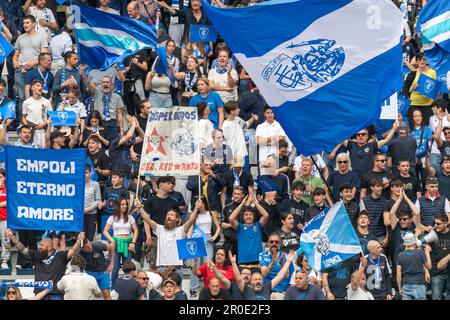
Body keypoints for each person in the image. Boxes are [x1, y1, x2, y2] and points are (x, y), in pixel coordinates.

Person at [5, 229, 85, 300]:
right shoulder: (36, 255)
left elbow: (72, 251)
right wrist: (12, 238)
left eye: (42, 245)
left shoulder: (60, 255)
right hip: (39, 294)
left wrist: (79, 240)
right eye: (40, 245)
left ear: (50, 247)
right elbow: (22, 249)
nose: (39, 247)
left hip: (56, 294)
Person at [135, 198, 200, 275]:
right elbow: (146, 218)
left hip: (176, 268)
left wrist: (196, 208)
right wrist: (140, 207)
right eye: (168, 215)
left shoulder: (180, 230)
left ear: (177, 219)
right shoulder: (160, 229)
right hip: (162, 267)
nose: (169, 216)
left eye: (171, 215)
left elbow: (191, 220)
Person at [13, 15, 48, 122]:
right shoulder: (20, 37)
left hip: (34, 71)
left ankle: (37, 121)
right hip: (20, 71)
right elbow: (16, 54)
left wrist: (32, 63)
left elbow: (45, 54)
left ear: (34, 24)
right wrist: (14, 61)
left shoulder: (42, 36)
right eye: (24, 23)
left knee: (36, 96)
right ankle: (22, 123)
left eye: (27, 23)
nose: (25, 25)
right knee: (21, 97)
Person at [142, 176, 179, 268]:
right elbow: (146, 220)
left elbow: (178, 219)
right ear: (161, 185)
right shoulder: (151, 200)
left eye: (173, 184)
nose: (172, 185)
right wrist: (148, 237)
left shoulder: (174, 202)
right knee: (154, 265)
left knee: (169, 266)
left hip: (170, 236)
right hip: (155, 236)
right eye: (169, 183)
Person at [103, 197, 138, 288]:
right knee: (115, 269)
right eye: (122, 204)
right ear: (118, 206)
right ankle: (114, 288)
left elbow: (136, 231)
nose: (124, 206)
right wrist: (112, 240)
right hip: (117, 243)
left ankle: (129, 287)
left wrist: (133, 243)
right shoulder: (112, 217)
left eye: (126, 204)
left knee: (128, 268)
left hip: (127, 243)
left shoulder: (130, 217)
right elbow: (105, 231)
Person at [229, 194, 269, 268]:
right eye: (246, 214)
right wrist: (242, 204)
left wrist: (255, 202)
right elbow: (231, 218)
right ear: (243, 217)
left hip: (258, 261)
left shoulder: (258, 225)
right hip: (243, 261)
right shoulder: (239, 227)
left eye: (250, 214)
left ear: (253, 217)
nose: (248, 216)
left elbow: (266, 215)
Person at [88, 75, 125, 142]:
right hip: (100, 123)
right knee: (100, 144)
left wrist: (121, 129)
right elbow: (90, 87)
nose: (105, 84)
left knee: (114, 144)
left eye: (107, 82)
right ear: (101, 84)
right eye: (103, 82)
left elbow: (119, 114)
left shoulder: (117, 97)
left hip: (112, 123)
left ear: (112, 85)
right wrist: (84, 76)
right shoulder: (97, 93)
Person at [397, 232, 431, 300]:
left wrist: (400, 288)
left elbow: (398, 273)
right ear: (415, 242)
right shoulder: (420, 252)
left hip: (406, 285)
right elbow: (429, 266)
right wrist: (427, 252)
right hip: (419, 284)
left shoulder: (400, 255)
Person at [259, 233, 292, 300]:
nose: (274, 243)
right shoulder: (262, 255)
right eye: (271, 242)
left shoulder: (284, 256)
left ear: (279, 244)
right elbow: (264, 273)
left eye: (276, 242)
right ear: (268, 243)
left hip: (279, 291)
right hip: (266, 291)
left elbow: (287, 275)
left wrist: (282, 264)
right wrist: (273, 262)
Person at [424, 214, 450, 300]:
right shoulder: (432, 234)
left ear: (446, 223)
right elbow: (425, 253)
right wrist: (427, 271)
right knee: (436, 297)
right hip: (436, 272)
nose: (435, 225)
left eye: (438, 224)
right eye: (434, 223)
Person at [256, 106, 287, 173]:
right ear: (264, 114)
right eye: (268, 113)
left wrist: (264, 140)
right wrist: (272, 137)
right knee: (264, 179)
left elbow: (282, 137)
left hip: (275, 156)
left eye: (272, 112)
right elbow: (258, 141)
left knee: (275, 177)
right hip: (263, 156)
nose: (270, 115)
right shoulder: (260, 126)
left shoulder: (279, 125)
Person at [408, 53, 436, 126]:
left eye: (424, 59)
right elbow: (407, 90)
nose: (422, 61)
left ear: (427, 61)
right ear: (417, 62)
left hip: (427, 104)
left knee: (426, 126)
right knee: (414, 126)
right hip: (414, 103)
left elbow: (434, 88)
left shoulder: (432, 72)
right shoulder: (412, 73)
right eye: (419, 59)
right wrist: (412, 87)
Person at [22, 79, 51, 148]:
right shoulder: (26, 102)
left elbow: (51, 116)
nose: (40, 87)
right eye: (38, 85)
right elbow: (24, 117)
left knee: (43, 151)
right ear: (32, 88)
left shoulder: (46, 102)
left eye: (41, 86)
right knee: (31, 152)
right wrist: (28, 127)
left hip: (43, 130)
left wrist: (45, 123)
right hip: (31, 130)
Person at [360, 179, 388, 247]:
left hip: (381, 234)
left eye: (381, 186)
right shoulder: (364, 200)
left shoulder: (385, 201)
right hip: (367, 234)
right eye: (378, 186)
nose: (380, 188)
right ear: (372, 187)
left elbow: (387, 222)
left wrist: (387, 238)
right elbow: (361, 219)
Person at [84, 164, 101, 241]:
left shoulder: (95, 184)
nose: (85, 175)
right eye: (83, 172)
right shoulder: (77, 184)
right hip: (80, 215)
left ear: (90, 173)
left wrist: (88, 209)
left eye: (86, 172)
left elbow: (98, 200)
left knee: (90, 237)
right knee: (81, 238)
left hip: (92, 214)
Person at [0, 169, 9, 270]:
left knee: (5, 241)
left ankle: (5, 261)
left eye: (0, 177)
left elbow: (8, 202)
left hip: (5, 219)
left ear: (4, 178)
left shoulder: (8, 189)